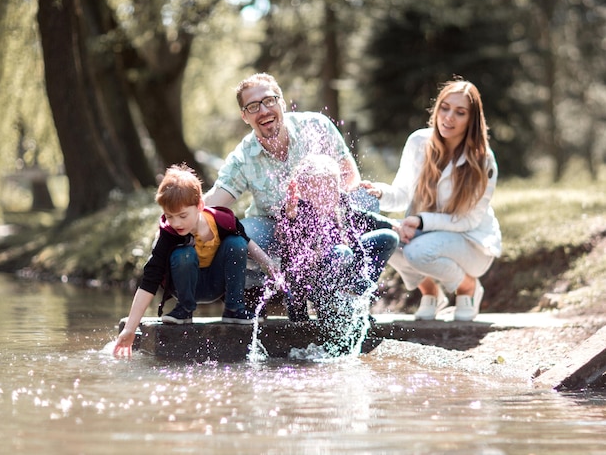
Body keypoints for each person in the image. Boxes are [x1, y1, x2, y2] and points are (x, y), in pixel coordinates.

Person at [203, 73, 368, 292]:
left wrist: (326, 208)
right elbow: (214, 202)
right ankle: (264, 286)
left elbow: (350, 176)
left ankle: (348, 285)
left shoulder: (317, 126)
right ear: (244, 116)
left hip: (326, 219)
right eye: (253, 107)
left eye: (269, 101)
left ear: (282, 102)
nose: (263, 111)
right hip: (274, 227)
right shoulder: (243, 156)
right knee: (244, 235)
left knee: (366, 202)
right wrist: (173, 216)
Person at [363, 79, 502, 322]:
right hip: (425, 234)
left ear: (472, 120)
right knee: (390, 240)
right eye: (445, 108)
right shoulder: (418, 142)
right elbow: (401, 194)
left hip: (470, 243)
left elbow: (467, 220)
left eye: (460, 113)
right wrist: (379, 192)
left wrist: (420, 221)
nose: (449, 117)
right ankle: (431, 294)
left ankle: (468, 288)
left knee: (417, 251)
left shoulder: (483, 160)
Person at [114, 164, 276, 358]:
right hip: (185, 285)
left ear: (200, 206)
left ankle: (235, 308)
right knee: (184, 254)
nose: (176, 223)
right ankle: (183, 310)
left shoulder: (222, 220)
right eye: (170, 216)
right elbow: (149, 281)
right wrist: (130, 328)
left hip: (216, 284)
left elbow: (248, 243)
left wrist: (270, 266)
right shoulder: (168, 235)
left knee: (236, 242)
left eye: (183, 216)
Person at [278, 154, 400, 322]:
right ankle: (328, 306)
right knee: (342, 252)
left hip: (339, 266)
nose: (331, 194)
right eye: (323, 190)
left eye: (334, 187)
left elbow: (360, 216)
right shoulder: (297, 210)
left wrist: (391, 224)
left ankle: (355, 298)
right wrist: (290, 215)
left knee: (388, 238)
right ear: (305, 190)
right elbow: (289, 243)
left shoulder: (340, 199)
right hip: (309, 280)